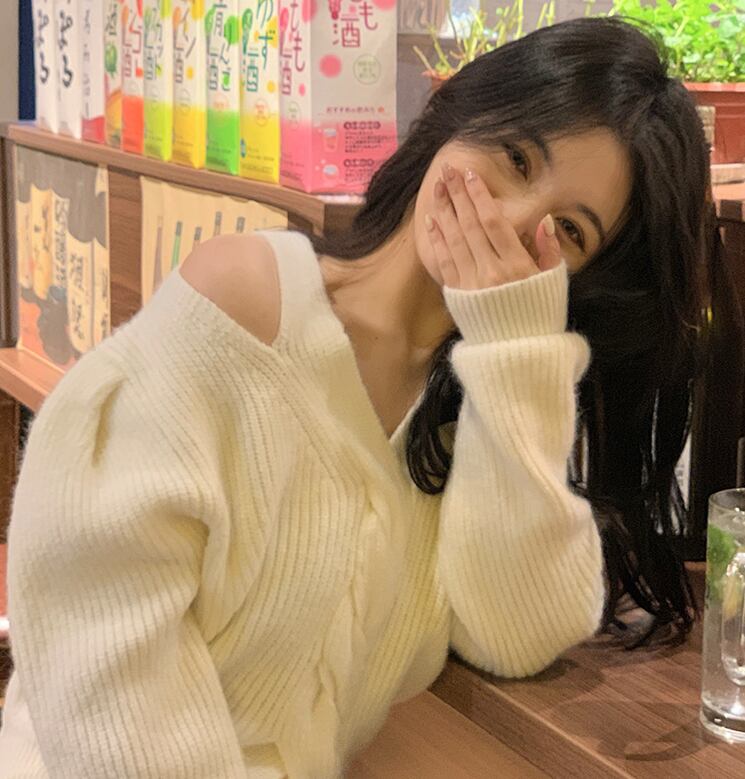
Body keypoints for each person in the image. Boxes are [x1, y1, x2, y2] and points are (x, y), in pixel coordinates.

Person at [0, 15, 718, 778]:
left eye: (566, 230)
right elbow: (109, 687)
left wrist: (514, 352)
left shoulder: (482, 401)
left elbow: (515, 634)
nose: (510, 220)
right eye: (514, 159)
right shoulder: (241, 303)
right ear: (452, 117)